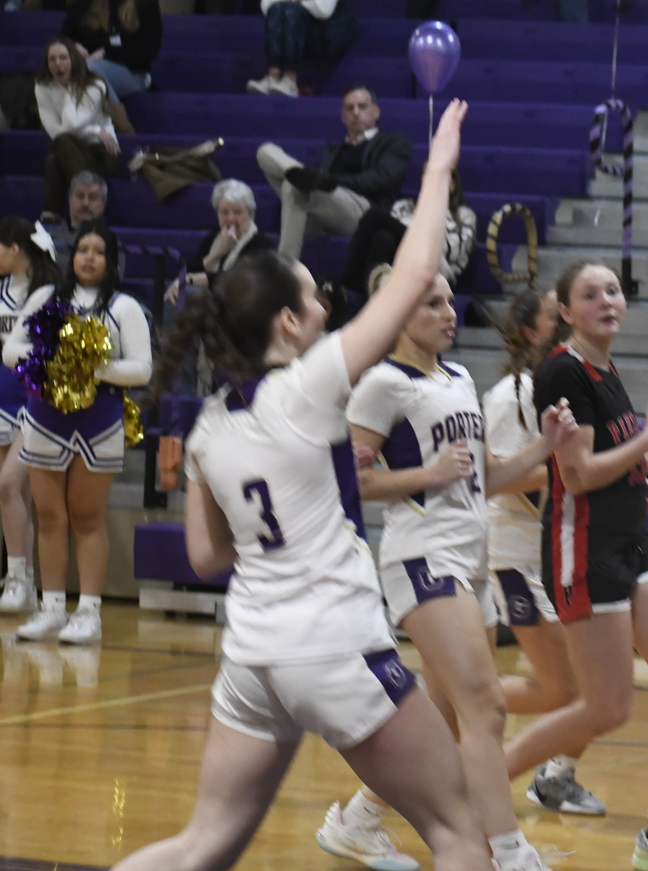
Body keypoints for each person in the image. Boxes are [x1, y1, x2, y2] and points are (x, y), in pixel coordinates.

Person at [84, 101, 507, 871]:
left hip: (253, 655)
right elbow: (415, 275)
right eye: (314, 298)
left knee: (200, 845)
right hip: (335, 645)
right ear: (287, 324)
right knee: (456, 826)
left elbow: (208, 556)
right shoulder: (305, 386)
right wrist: (439, 165)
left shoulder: (211, 424)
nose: (325, 307)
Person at [323, 266, 589, 871]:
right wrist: (428, 473)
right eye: (431, 303)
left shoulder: (461, 377)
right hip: (422, 559)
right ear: (397, 315)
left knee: (444, 716)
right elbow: (350, 483)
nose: (448, 312)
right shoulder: (382, 386)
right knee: (486, 707)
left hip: (469, 560)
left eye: (449, 301)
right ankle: (513, 866)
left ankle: (358, 820)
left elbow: (482, 478)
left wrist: (544, 448)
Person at [496, 260, 648, 871]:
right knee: (605, 708)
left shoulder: (604, 367)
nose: (607, 299)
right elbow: (574, 475)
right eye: (590, 293)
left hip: (629, 541)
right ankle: (482, 786)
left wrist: (639, 470)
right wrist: (645, 440)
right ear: (567, 312)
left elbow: (598, 465)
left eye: (614, 290)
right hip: (583, 550)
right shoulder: (564, 370)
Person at [484, 288, 608, 816]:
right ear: (532, 331)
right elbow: (497, 479)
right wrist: (574, 471)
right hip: (515, 555)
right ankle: (457, 702)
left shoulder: (568, 382)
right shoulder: (511, 393)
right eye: (553, 316)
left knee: (578, 687)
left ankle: (555, 775)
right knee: (575, 688)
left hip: (555, 551)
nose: (564, 321)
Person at [3, 223, 149, 644]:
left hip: (98, 419)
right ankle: (50, 608)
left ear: (111, 260)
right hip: (45, 417)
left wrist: (92, 367)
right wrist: (53, 358)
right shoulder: (47, 298)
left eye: (98, 251)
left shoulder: (124, 307)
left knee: (86, 517)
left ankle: (88, 612)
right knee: (49, 517)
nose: (88, 257)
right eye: (82, 249)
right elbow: (12, 350)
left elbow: (142, 368)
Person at [256, 84, 411, 262]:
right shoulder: (332, 150)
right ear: (343, 116)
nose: (356, 112)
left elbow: (383, 179)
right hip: (323, 212)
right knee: (266, 152)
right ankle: (307, 178)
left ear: (376, 111)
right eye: (349, 108)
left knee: (295, 185)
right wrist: (319, 180)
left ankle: (285, 269)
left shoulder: (394, 142)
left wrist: (333, 180)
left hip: (363, 212)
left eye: (362, 106)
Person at [0, 217, 62, 616]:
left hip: (36, 399)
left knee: (8, 486)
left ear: (16, 249)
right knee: (12, 496)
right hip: (3, 396)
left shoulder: (49, 294)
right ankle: (22, 582)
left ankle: (19, 578)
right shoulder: (2, 289)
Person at [340, 166, 474, 296]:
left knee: (375, 216)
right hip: (400, 261)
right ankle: (372, 295)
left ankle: (349, 282)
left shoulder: (464, 215)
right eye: (426, 175)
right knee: (383, 238)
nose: (430, 180)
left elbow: (450, 251)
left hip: (434, 265)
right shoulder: (404, 207)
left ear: (452, 184)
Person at [61, 0, 162, 104]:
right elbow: (64, 37)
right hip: (88, 65)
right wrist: (75, 47)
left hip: (133, 72)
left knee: (90, 72)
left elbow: (148, 50)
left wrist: (106, 53)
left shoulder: (146, 0)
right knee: (71, 73)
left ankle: (120, 123)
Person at [35, 38, 119, 221]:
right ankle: (56, 214)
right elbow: (55, 132)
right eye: (52, 59)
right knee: (56, 152)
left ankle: (69, 209)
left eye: (63, 57)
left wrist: (71, 87)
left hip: (104, 151)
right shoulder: (42, 88)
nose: (58, 63)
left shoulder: (94, 85)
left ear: (73, 59)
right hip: (72, 148)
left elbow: (71, 124)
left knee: (59, 150)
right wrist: (95, 131)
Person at [164, 178, 274, 307]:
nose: (230, 218)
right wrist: (218, 252)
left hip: (241, 305)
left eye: (237, 212)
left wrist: (188, 280)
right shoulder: (213, 238)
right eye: (224, 212)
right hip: (211, 302)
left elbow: (235, 279)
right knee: (178, 293)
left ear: (249, 214)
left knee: (187, 292)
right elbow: (192, 270)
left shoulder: (261, 243)